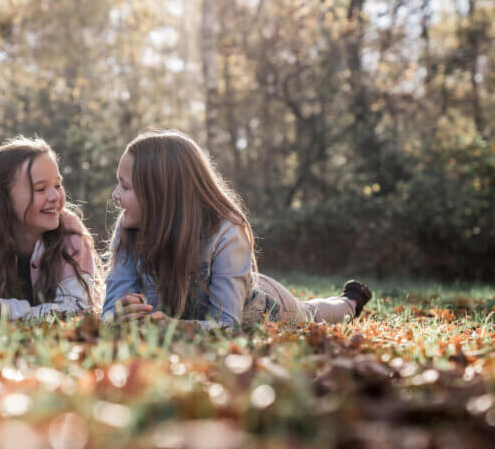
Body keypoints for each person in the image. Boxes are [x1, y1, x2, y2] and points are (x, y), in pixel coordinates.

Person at [102, 130, 372, 328]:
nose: (115, 194)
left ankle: (350, 302)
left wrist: (172, 328)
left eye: (125, 186)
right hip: (230, 288)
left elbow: (226, 325)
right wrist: (118, 315)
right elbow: (110, 314)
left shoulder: (225, 231)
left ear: (161, 195)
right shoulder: (129, 228)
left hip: (260, 306)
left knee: (310, 314)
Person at [0, 136, 99, 320]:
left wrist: (6, 310)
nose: (54, 196)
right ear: (3, 199)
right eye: (40, 189)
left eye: (57, 185)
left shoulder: (70, 234)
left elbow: (77, 308)